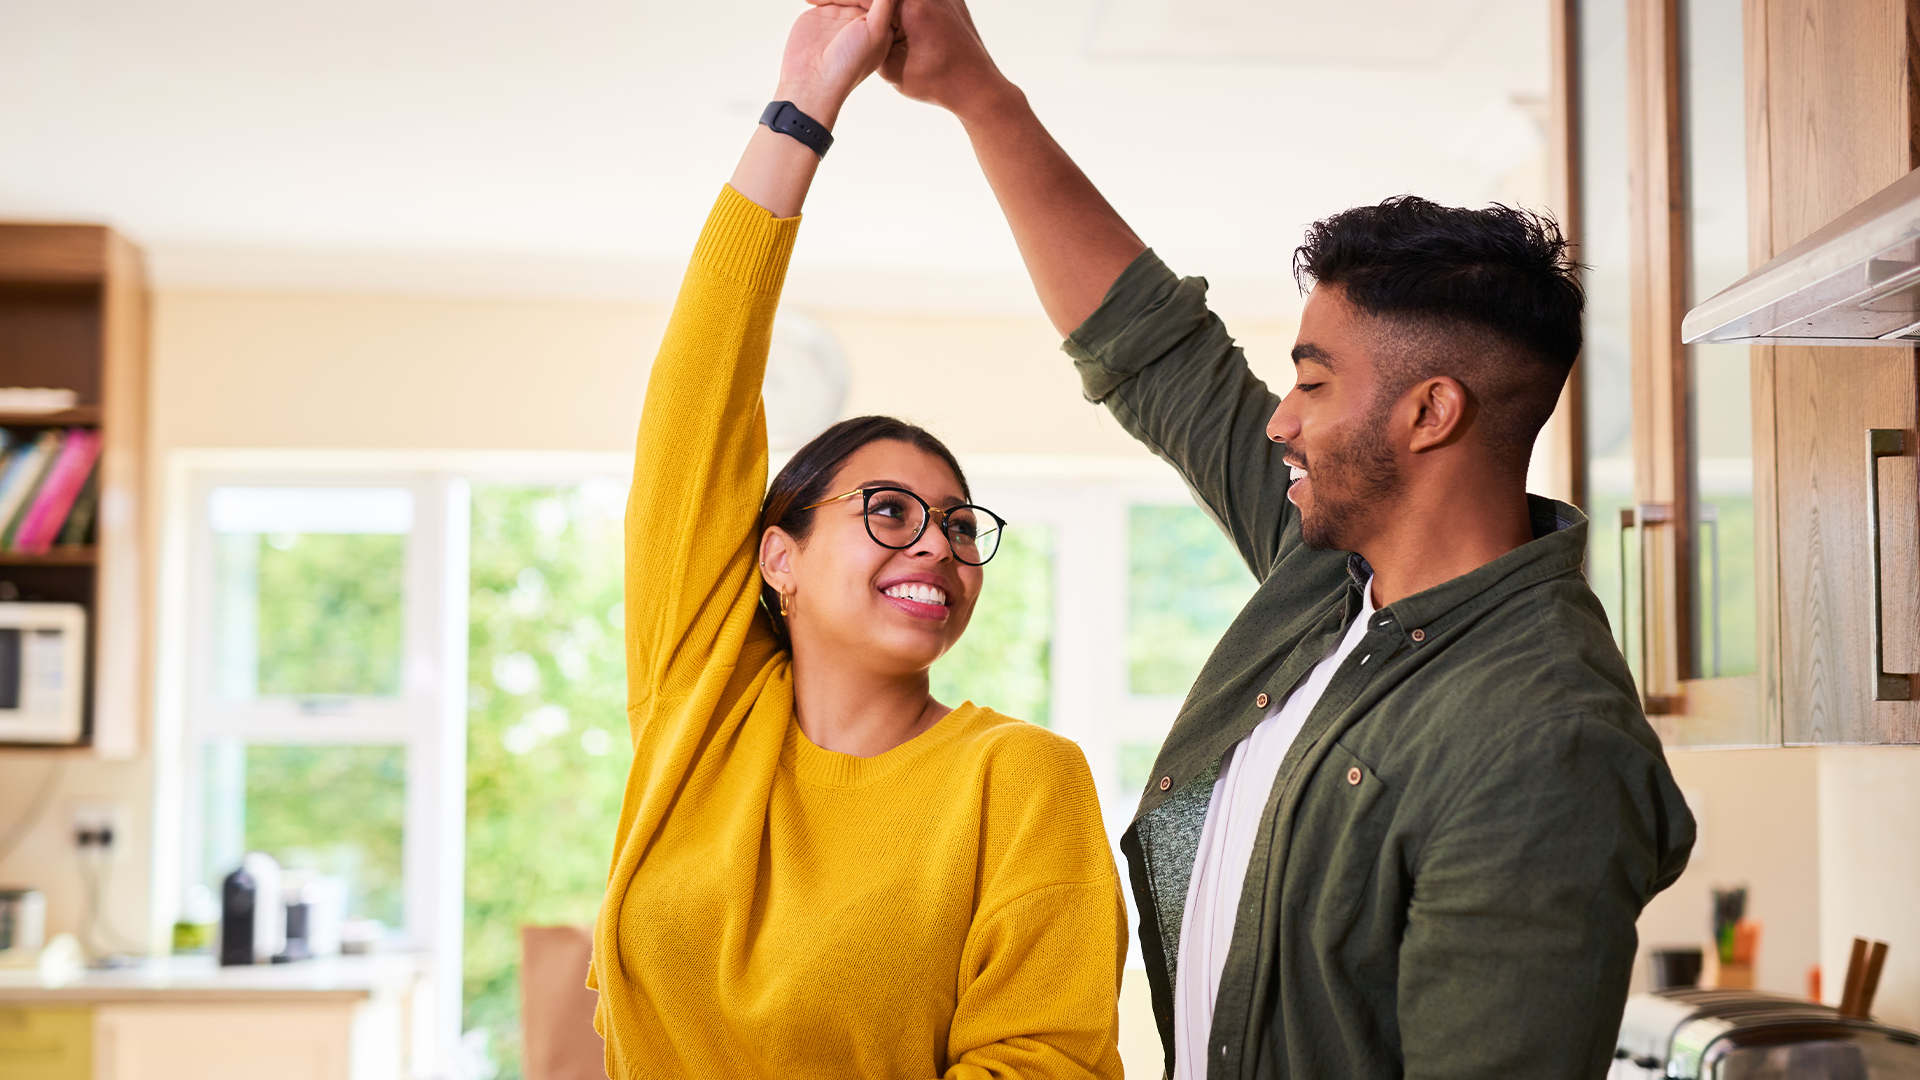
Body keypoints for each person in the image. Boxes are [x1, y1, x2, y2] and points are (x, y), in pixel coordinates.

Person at [874, 2, 1698, 1077]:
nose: (1280, 419)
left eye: (1313, 381)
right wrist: (973, 90)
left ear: (1429, 414)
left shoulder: (1543, 740)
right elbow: (1157, 356)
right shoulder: (1334, 579)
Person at [586, 3, 1126, 1076]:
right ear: (776, 556)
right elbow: (696, 397)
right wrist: (805, 102)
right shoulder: (699, 708)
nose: (938, 546)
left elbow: (1046, 1062)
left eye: (961, 526)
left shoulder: (1017, 780)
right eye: (888, 510)